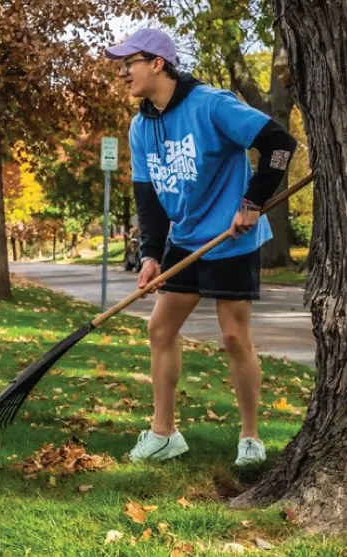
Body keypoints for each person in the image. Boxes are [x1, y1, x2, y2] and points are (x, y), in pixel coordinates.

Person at [105, 29, 297, 465]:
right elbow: (147, 195)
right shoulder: (141, 126)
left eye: (129, 63)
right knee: (160, 328)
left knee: (233, 336)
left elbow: (281, 144)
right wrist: (151, 253)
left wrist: (253, 202)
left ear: (157, 62)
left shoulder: (211, 104)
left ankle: (250, 438)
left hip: (232, 238)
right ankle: (164, 433)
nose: (123, 73)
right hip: (185, 238)